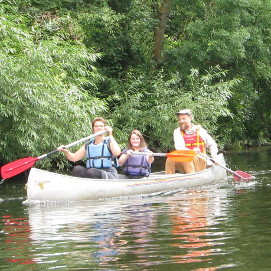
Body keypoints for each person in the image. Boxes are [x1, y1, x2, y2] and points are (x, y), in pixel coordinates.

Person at [57, 117, 121, 179]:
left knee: (92, 172)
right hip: (92, 173)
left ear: (104, 128)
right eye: (96, 126)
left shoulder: (109, 141)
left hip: (108, 173)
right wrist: (65, 151)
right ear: (93, 129)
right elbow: (74, 157)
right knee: (77, 169)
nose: (99, 128)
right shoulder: (88, 144)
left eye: (101, 126)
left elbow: (117, 153)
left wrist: (110, 134)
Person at [165, 109, 218, 174]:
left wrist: (214, 157)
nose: (181, 121)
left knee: (187, 157)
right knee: (170, 158)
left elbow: (212, 144)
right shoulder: (177, 131)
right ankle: (169, 179)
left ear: (190, 118)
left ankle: (192, 178)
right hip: (185, 161)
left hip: (200, 161)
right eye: (179, 119)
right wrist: (191, 152)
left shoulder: (200, 130)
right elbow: (179, 147)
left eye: (184, 118)